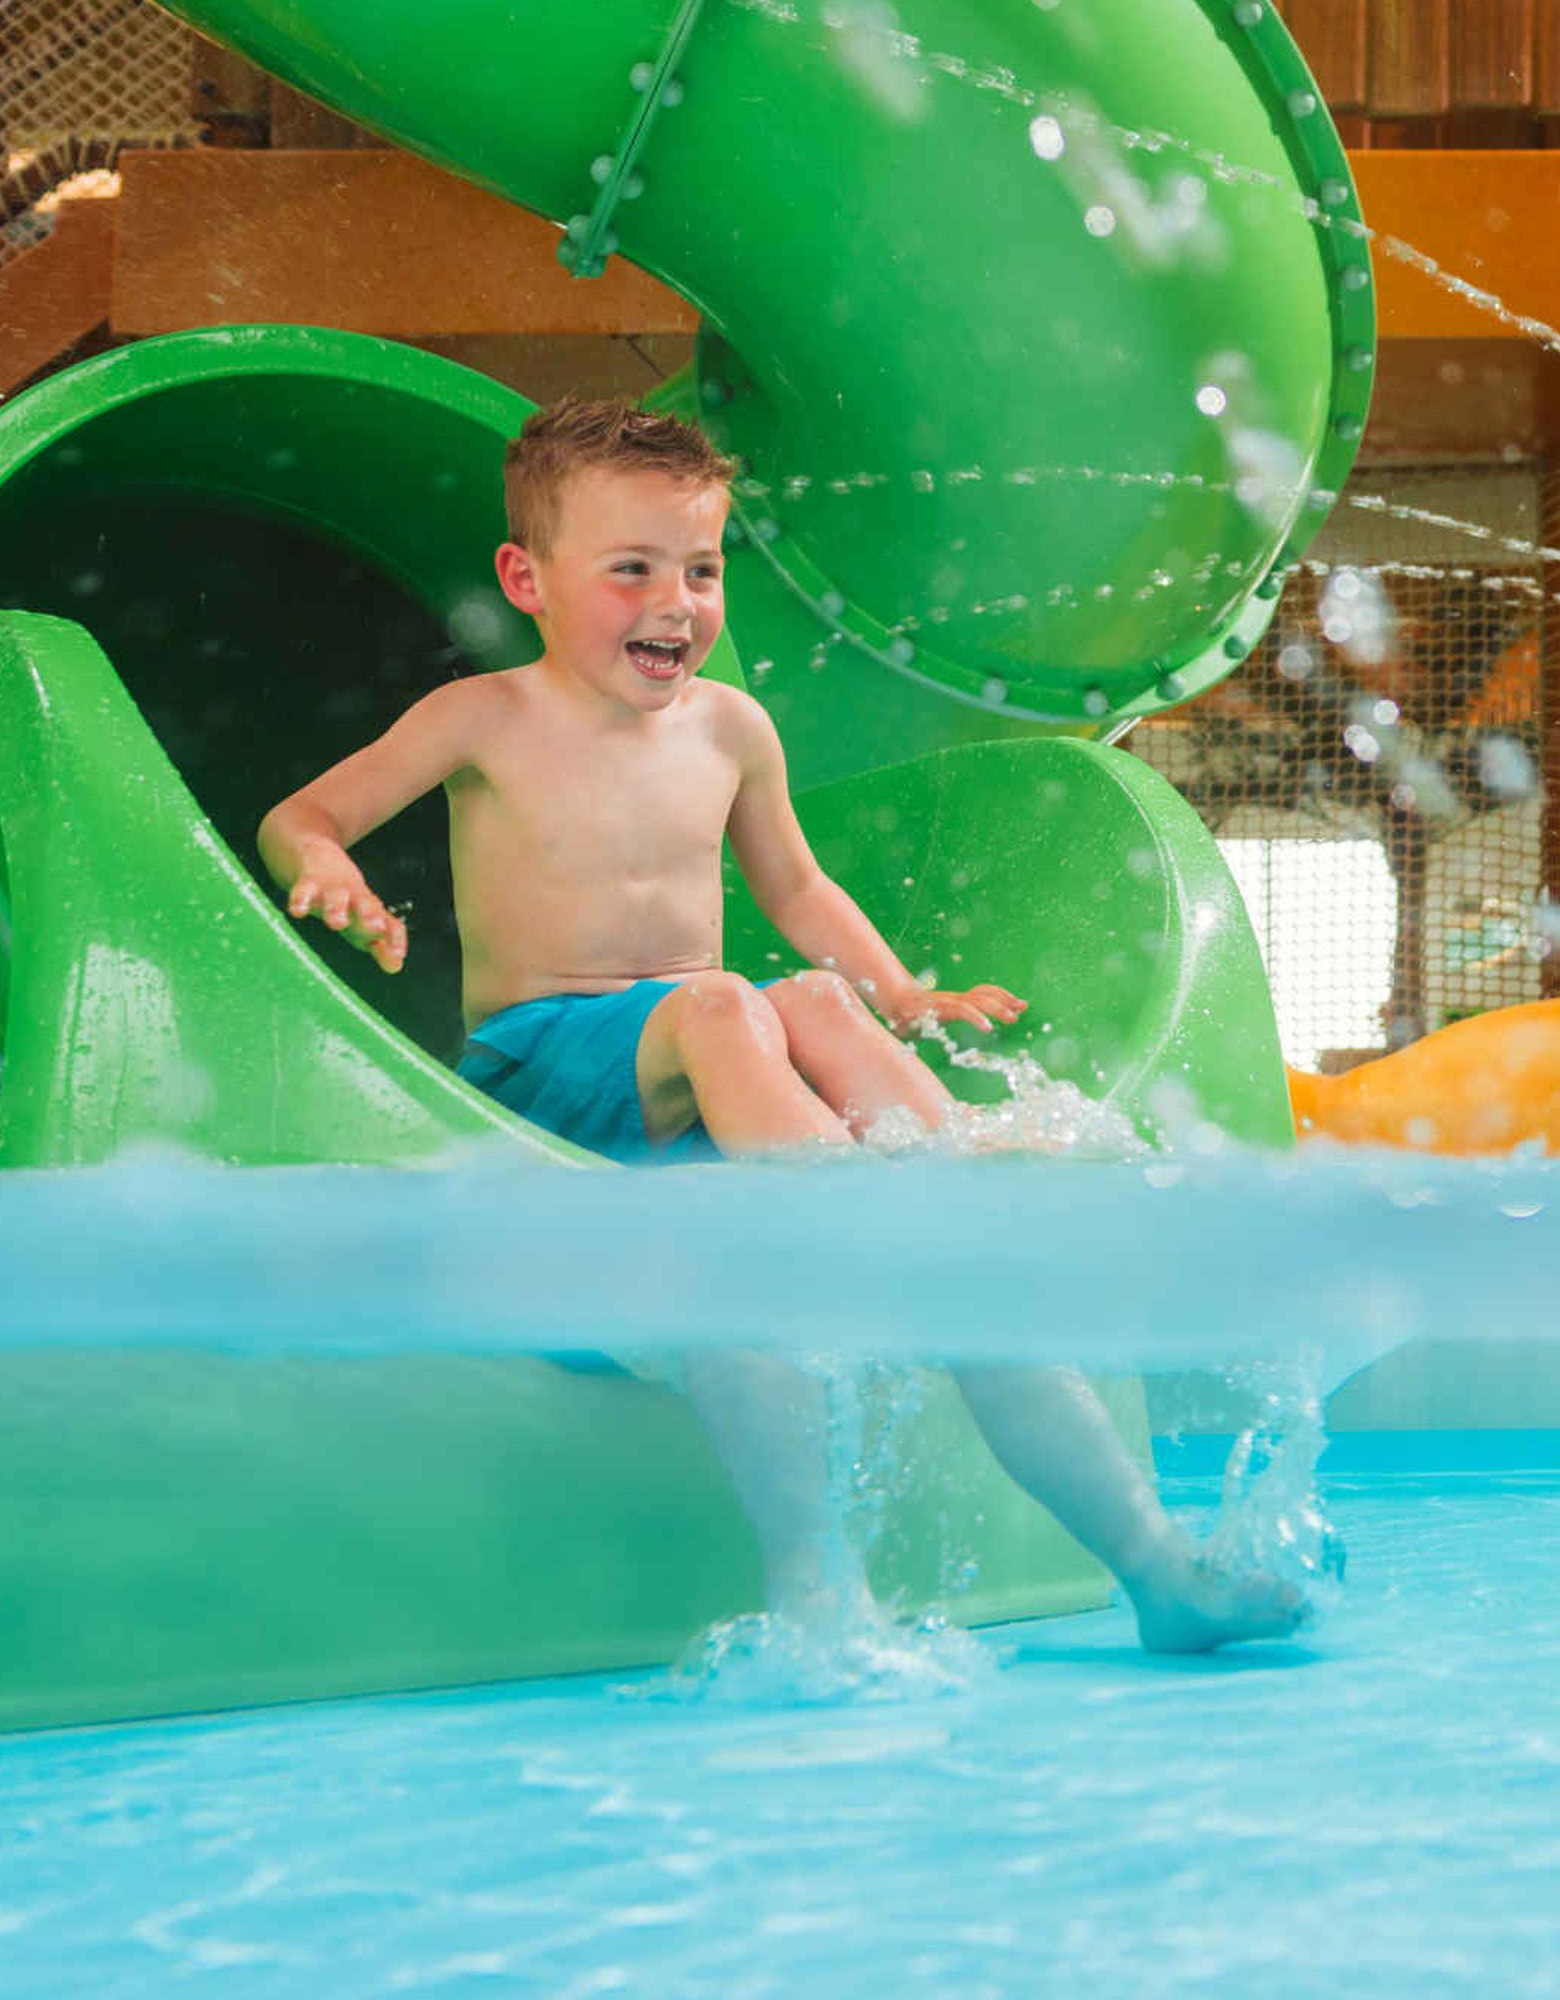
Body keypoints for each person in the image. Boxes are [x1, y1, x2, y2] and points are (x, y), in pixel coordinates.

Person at [259, 395, 1306, 1655]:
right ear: (525, 578)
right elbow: (301, 814)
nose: (678, 602)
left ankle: (1148, 1567)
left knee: (811, 1020)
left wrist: (903, 993)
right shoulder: (483, 718)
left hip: (714, 1089)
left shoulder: (731, 730)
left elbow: (799, 890)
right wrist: (329, 871)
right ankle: (853, 1208)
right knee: (727, 1002)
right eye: (632, 569)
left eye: (701, 569)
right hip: (547, 1071)